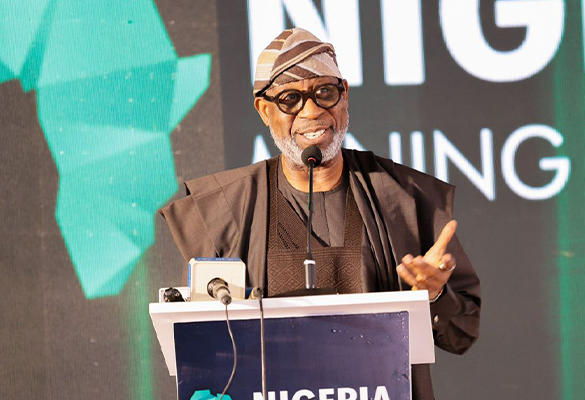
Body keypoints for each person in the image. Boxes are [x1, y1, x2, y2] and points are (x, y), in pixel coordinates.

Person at [159, 28, 480, 400]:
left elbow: (461, 333)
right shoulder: (221, 211)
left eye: (325, 92)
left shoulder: (407, 199)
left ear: (345, 95)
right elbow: (206, 349)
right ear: (264, 110)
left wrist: (435, 295)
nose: (312, 112)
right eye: (290, 99)